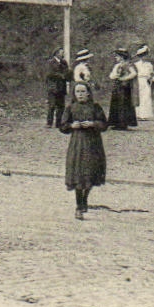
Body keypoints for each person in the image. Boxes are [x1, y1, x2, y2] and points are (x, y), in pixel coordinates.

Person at [58, 81, 107, 220]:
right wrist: (72, 126)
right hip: (78, 144)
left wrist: (93, 124)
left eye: (82, 91)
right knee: (78, 174)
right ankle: (79, 206)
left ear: (88, 93)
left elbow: (104, 124)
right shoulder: (70, 108)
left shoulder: (95, 107)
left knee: (91, 172)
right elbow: (62, 126)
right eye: (77, 92)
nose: (80, 94)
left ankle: (85, 198)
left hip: (93, 144)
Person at [106, 50, 138, 130]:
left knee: (123, 105)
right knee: (116, 103)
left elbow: (134, 73)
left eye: (117, 56)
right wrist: (115, 76)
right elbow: (111, 75)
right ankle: (116, 123)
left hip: (124, 87)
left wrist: (124, 78)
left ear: (122, 57)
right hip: (117, 86)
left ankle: (123, 123)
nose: (116, 58)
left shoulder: (128, 64)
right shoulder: (117, 65)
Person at [44, 48, 71, 128]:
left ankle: (59, 123)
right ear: (56, 53)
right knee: (52, 105)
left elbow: (67, 72)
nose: (63, 54)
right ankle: (49, 123)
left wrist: (67, 75)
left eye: (63, 52)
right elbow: (49, 74)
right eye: (61, 52)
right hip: (53, 87)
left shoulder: (64, 62)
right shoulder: (50, 62)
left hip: (61, 87)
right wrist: (61, 76)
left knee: (61, 106)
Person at [133, 45, 154, 122]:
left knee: (146, 97)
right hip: (137, 81)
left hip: (145, 82)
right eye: (142, 56)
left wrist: (152, 79)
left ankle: (145, 115)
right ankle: (137, 114)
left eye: (145, 55)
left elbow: (151, 74)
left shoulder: (149, 65)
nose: (144, 57)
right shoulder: (136, 64)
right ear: (139, 56)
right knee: (138, 97)